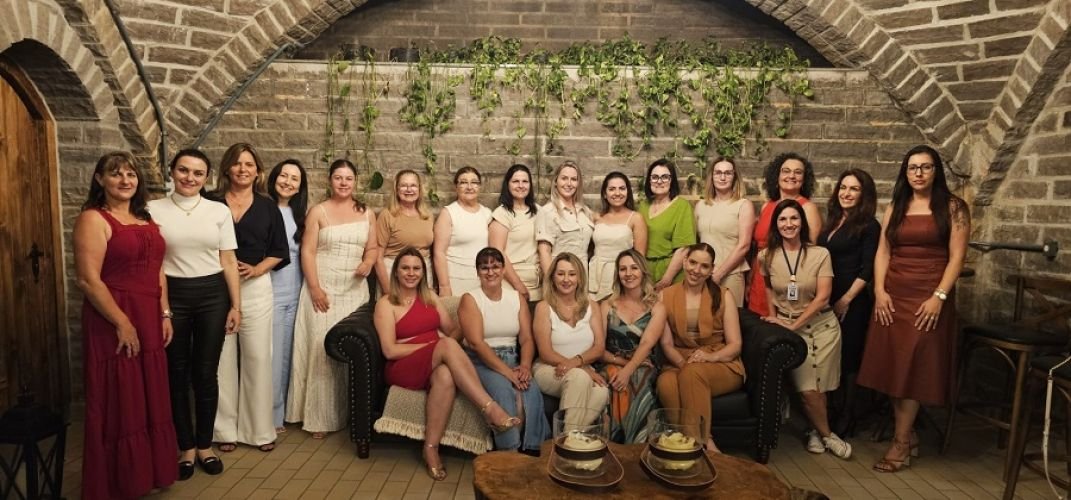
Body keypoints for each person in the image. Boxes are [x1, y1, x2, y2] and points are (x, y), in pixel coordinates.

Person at [858, 145, 969, 473]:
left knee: (913, 366)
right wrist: (879, 291)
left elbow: (957, 258)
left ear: (936, 171)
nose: (919, 173)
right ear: (905, 172)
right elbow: (883, 252)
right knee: (893, 366)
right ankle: (908, 435)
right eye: (912, 168)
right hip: (893, 296)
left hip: (928, 297)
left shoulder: (954, 207)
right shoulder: (896, 205)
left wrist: (939, 297)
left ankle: (900, 442)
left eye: (926, 167)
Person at [76, 151, 178, 498]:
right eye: (115, 173)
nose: (124, 180)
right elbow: (88, 280)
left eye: (131, 174)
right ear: (100, 179)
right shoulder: (93, 219)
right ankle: (122, 481)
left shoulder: (144, 218)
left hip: (149, 314)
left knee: (149, 394)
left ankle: (150, 473)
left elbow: (158, 270)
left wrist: (165, 314)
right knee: (123, 398)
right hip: (113, 317)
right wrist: (122, 322)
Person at [373, 247, 521, 481]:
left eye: (416, 268)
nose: (411, 273)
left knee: (445, 375)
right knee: (446, 345)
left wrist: (468, 319)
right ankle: (490, 409)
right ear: (396, 272)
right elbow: (389, 350)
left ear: (423, 272)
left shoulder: (430, 297)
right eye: (405, 268)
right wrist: (433, 347)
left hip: (434, 361)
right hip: (403, 365)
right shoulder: (386, 304)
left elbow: (452, 330)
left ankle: (430, 448)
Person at [149, 149, 240, 479]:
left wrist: (236, 305)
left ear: (207, 177)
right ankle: (185, 447)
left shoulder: (218, 210)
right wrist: (164, 311)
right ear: (172, 171)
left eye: (198, 173)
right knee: (176, 373)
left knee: (205, 373)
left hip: (213, 295)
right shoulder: (152, 209)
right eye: (184, 170)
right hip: (172, 294)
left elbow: (228, 260)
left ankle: (204, 446)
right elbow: (154, 264)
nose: (190, 177)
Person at [287, 159, 378, 438]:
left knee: (350, 350)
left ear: (355, 182)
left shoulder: (366, 213)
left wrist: (368, 262)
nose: (343, 183)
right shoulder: (318, 211)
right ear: (330, 180)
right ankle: (319, 417)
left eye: (348, 178)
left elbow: (373, 247)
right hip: (323, 287)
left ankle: (349, 413)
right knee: (320, 350)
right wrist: (314, 288)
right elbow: (308, 251)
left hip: (354, 290)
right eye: (338, 177)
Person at [211, 142, 290, 453]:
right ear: (227, 168)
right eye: (237, 163)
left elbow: (280, 251)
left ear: (258, 171)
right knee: (221, 359)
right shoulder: (211, 202)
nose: (242, 169)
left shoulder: (268, 207)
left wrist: (257, 269)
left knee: (257, 357)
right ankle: (223, 431)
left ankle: (259, 431)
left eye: (249, 164)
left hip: (255, 288)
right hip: (216, 288)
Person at [759, 199, 851, 459]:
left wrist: (792, 325)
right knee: (808, 389)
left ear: (802, 222)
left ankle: (814, 431)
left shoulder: (820, 254)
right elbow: (768, 287)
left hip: (823, 326)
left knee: (821, 388)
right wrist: (774, 316)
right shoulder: (766, 256)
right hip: (792, 329)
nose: (788, 224)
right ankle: (829, 436)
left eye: (794, 218)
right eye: (782, 219)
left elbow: (823, 297)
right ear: (776, 224)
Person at [459, 247, 550, 453]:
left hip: (512, 358)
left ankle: (534, 450)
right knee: (503, 391)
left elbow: (526, 339)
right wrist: (508, 373)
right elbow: (476, 343)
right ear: (478, 272)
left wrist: (524, 367)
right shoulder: (470, 299)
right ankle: (509, 452)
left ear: (503, 269)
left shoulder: (516, 298)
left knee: (530, 389)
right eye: (484, 268)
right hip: (481, 361)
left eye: (495, 267)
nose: (490, 272)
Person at [656, 243, 745, 452]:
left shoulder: (723, 295)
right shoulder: (666, 295)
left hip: (720, 360)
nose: (696, 270)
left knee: (693, 373)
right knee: (666, 382)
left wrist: (709, 357)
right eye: (693, 262)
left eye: (704, 266)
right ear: (684, 262)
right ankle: (680, 443)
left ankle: (702, 443)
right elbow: (666, 343)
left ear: (712, 269)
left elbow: (735, 345)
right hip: (680, 359)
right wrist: (682, 363)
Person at [817, 169, 880, 436]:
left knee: (849, 357)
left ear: (864, 194)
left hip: (852, 300)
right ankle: (831, 409)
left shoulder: (869, 226)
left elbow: (867, 269)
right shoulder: (833, 220)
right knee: (830, 355)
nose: (846, 193)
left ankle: (848, 414)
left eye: (854, 189)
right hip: (828, 297)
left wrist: (846, 299)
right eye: (843, 187)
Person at [532, 253, 609, 426]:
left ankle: (570, 435)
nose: (566, 279)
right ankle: (568, 438)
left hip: (581, 368)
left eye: (572, 274)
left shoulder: (592, 306)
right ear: (553, 278)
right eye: (561, 274)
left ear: (580, 278)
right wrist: (580, 367)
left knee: (601, 391)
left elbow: (599, 347)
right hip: (548, 368)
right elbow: (545, 352)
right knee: (580, 377)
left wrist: (576, 364)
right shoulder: (543, 307)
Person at [598, 249, 666, 443]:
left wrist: (628, 369)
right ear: (617, 274)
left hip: (643, 364)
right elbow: (599, 348)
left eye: (634, 268)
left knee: (639, 379)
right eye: (623, 269)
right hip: (610, 362)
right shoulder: (607, 305)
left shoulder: (657, 307)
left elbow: (647, 343)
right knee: (612, 377)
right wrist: (622, 364)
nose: (628, 274)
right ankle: (611, 443)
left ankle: (637, 444)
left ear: (643, 271)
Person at [748, 153, 822, 316]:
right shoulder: (767, 205)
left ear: (804, 179)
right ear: (777, 175)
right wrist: (751, 278)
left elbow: (809, 253)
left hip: (785, 278)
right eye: (786, 171)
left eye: (798, 172)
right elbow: (758, 247)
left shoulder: (808, 208)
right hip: (759, 278)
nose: (791, 176)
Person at [266, 159, 308, 435]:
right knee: (272, 354)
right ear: (274, 177)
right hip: (271, 289)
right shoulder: (262, 209)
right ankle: (269, 415)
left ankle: (281, 411)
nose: (288, 182)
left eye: (295, 179)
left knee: (287, 355)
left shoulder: (301, 214)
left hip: (297, 291)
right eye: (284, 175)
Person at [694, 158, 755, 307]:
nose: (722, 177)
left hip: (730, 275)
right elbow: (697, 242)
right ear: (712, 176)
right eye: (718, 173)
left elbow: (744, 245)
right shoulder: (701, 205)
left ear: (734, 177)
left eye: (728, 173)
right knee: (703, 318)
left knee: (730, 317)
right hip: (702, 274)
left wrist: (719, 274)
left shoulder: (743, 205)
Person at [434, 166, 492, 296]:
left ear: (479, 186)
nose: (469, 187)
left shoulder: (487, 213)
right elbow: (439, 253)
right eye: (464, 182)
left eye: (474, 182)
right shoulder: (448, 213)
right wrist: (444, 286)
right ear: (456, 187)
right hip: (456, 282)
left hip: (482, 282)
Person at [638, 159, 696, 288]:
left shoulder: (682, 206)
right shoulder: (642, 206)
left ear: (672, 180)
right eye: (655, 177)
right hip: (645, 272)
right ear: (649, 180)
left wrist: (666, 279)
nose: (659, 181)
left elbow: (683, 248)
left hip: (671, 273)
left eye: (664, 177)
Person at [375, 169, 434, 296]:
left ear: (419, 189)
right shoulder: (387, 215)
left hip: (423, 275)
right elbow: (377, 257)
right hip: (393, 274)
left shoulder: (427, 216)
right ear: (396, 189)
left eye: (413, 185)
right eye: (404, 185)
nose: (409, 189)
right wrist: (387, 290)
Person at [590, 172, 647, 300]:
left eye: (622, 188)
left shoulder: (636, 218)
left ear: (628, 192)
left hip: (622, 275)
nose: (617, 193)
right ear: (605, 194)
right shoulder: (596, 217)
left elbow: (640, 257)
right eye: (612, 189)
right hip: (596, 275)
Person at [489, 164, 541, 301]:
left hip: (538, 286)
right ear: (508, 185)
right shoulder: (502, 214)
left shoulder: (539, 211)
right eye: (515, 181)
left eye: (525, 181)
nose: (521, 185)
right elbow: (498, 253)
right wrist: (518, 286)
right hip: (511, 285)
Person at [536, 160, 594, 276]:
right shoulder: (547, 211)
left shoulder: (585, 211)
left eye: (574, 179)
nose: (569, 183)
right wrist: (551, 282)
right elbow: (544, 251)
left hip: (583, 277)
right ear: (556, 182)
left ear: (578, 183)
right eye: (564, 178)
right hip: (561, 277)